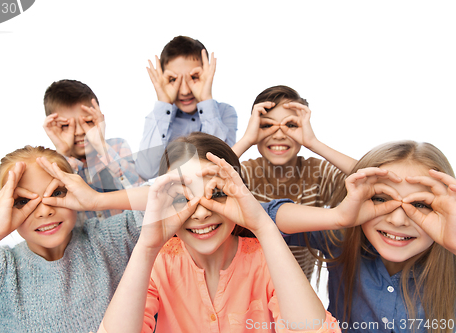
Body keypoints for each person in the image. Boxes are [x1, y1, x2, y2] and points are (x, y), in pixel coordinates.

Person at [95, 132, 340, 333]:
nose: (200, 213)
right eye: (182, 197)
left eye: (217, 193)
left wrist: (264, 226)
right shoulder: (159, 265)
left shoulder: (265, 261)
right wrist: (146, 247)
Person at [263, 140, 456, 333]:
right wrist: (336, 217)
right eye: (380, 198)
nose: (398, 220)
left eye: (420, 204)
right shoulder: (342, 236)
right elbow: (255, 218)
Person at [0, 146, 143, 333]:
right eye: (23, 201)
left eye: (56, 193)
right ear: (5, 208)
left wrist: (98, 200)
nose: (45, 211)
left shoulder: (109, 239)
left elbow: (171, 200)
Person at [232, 85, 357, 281]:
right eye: (267, 125)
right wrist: (247, 140)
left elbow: (373, 177)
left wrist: (313, 142)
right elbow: (202, 181)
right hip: (249, 287)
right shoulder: (246, 173)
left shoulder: (316, 172)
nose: (279, 134)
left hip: (299, 288)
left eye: (290, 125)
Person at [136, 36, 238, 180]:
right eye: (173, 80)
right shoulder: (158, 117)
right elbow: (147, 172)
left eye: (194, 77)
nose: (184, 91)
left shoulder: (225, 112)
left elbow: (220, 167)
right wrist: (163, 102)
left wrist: (205, 99)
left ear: (207, 73)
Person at [43, 79, 142, 221]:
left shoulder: (117, 147)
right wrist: (62, 153)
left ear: (99, 120)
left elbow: (143, 192)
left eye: (88, 122)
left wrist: (101, 146)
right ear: (52, 128)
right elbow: (54, 212)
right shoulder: (49, 165)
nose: (78, 132)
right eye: (66, 125)